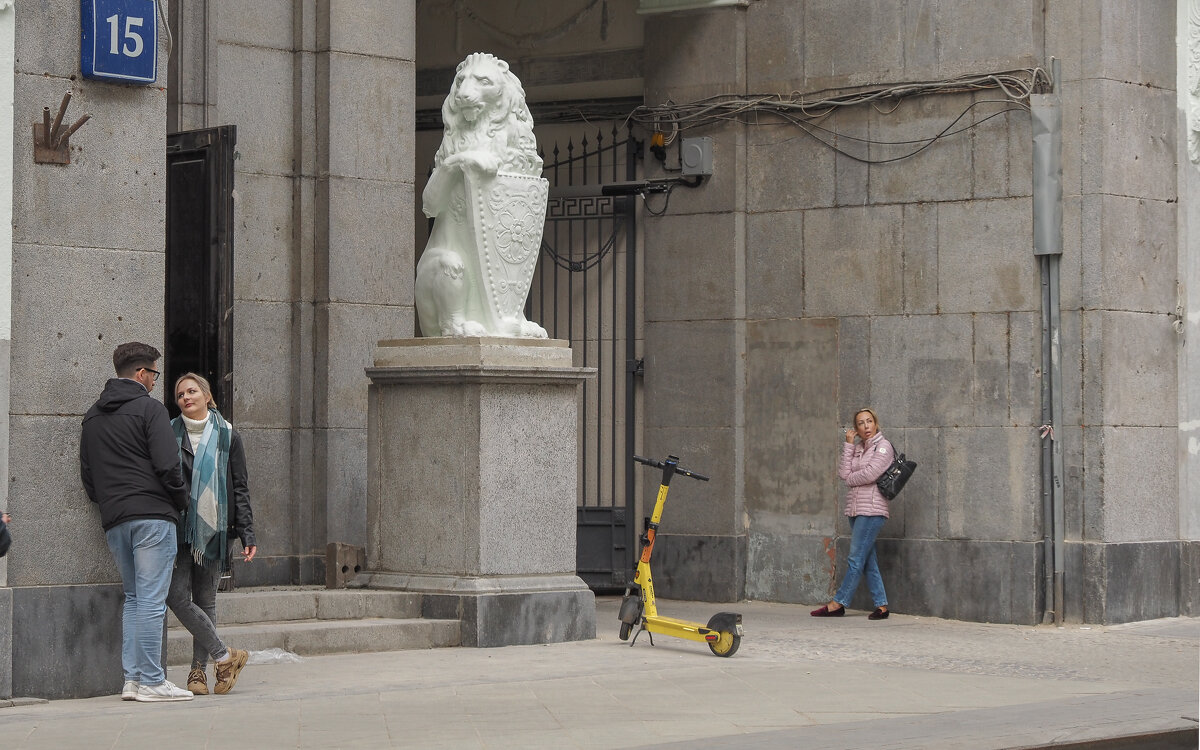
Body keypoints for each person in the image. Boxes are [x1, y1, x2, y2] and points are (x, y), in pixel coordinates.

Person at [80, 342, 194, 702]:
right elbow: (167, 465)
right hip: (152, 517)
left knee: (134, 598)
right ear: (142, 373)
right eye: (154, 375)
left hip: (115, 520)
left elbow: (89, 478)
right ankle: (152, 681)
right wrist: (181, 503)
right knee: (150, 601)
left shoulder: (92, 416)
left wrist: (114, 504)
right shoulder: (150, 410)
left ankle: (132, 680)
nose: (155, 382)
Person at [166, 372, 255, 696]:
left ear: (206, 396)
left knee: (205, 600)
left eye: (191, 391)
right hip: (178, 528)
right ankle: (225, 655)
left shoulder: (228, 435)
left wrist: (247, 533)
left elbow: (239, 486)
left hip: (215, 528)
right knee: (175, 596)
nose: (186, 397)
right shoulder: (168, 432)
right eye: (180, 395)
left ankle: (197, 673)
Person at [811, 407, 893, 620]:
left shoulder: (883, 447)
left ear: (875, 423)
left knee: (856, 558)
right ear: (856, 428)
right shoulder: (857, 448)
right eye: (861, 423)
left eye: (869, 421)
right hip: (855, 509)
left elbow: (871, 474)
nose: (866, 426)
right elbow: (843, 473)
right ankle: (882, 606)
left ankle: (838, 603)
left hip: (872, 510)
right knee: (867, 559)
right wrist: (848, 446)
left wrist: (851, 479)